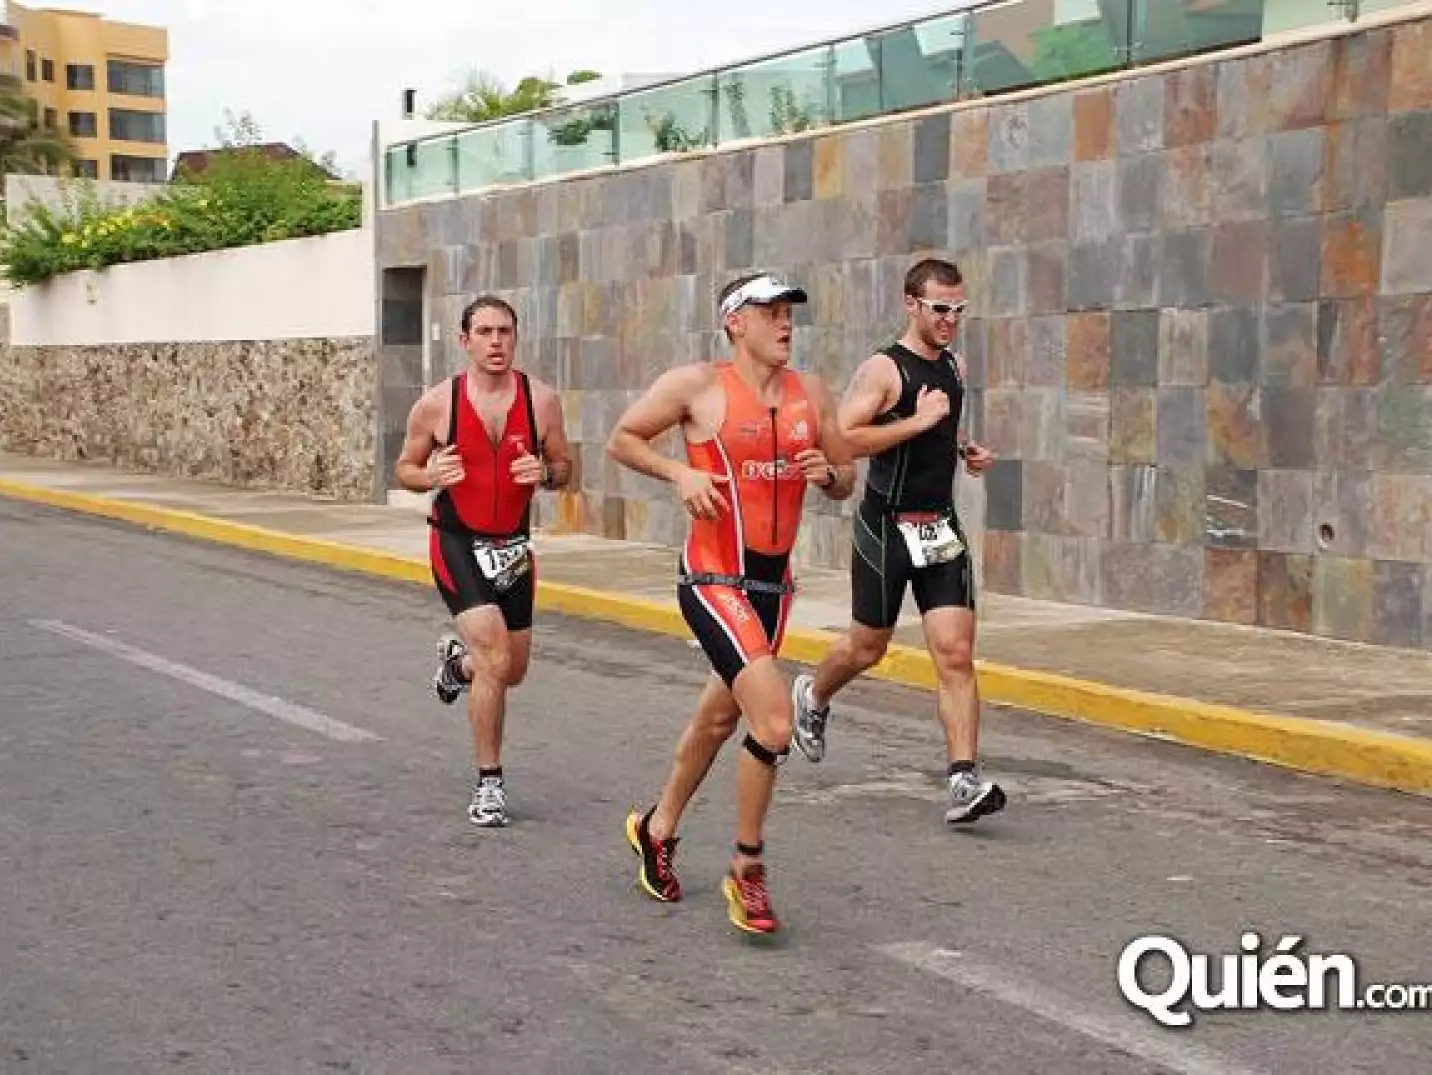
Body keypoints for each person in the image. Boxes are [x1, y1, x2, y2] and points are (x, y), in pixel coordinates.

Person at [607, 271, 857, 935]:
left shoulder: (812, 394)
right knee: (773, 724)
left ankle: (656, 829)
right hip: (714, 578)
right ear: (734, 322)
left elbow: (845, 477)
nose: (784, 324)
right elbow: (623, 437)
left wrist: (827, 474)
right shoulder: (697, 385)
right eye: (769, 312)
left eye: (789, 314)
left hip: (773, 588)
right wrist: (680, 471)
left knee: (720, 720)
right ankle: (748, 869)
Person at [789, 257, 1007, 825]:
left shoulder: (954, 366)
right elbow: (842, 439)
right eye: (940, 309)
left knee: (956, 654)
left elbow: (942, 426)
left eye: (959, 310)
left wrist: (964, 449)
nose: (950, 320)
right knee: (868, 647)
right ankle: (813, 696)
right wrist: (915, 422)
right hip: (885, 525)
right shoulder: (885, 370)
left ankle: (964, 778)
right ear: (911, 303)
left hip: (939, 525)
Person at [393, 295, 574, 828]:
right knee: (496, 652)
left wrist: (543, 474)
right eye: (485, 332)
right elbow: (404, 467)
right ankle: (489, 783)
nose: (495, 342)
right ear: (465, 340)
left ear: (515, 339)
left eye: (505, 332)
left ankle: (458, 667)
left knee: (510, 669)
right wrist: (431, 477)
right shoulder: (437, 404)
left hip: (513, 546)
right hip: (456, 541)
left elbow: (566, 467)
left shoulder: (540, 400)